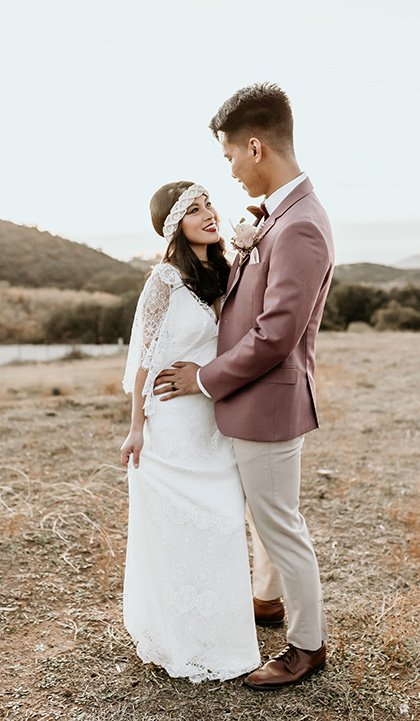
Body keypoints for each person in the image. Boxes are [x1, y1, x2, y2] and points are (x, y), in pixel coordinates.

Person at [154, 83, 335, 690]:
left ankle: (307, 647)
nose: (230, 170)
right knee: (266, 516)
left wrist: (203, 378)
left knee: (280, 523)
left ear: (255, 147)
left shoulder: (301, 225)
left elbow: (274, 336)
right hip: (254, 403)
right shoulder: (278, 217)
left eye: (231, 156)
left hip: (269, 403)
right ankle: (267, 601)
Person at [120, 181, 260, 683]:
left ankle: (221, 634)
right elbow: (141, 360)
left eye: (208, 205)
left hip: (211, 416)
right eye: (193, 210)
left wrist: (251, 246)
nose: (208, 214)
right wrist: (135, 428)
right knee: (178, 533)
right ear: (172, 224)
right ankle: (180, 635)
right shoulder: (164, 279)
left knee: (223, 524)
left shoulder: (224, 272)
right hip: (171, 423)